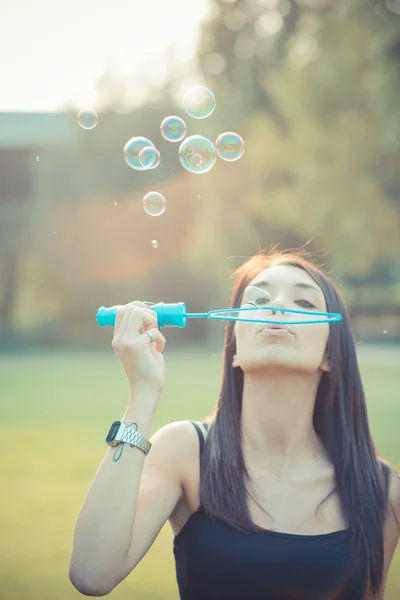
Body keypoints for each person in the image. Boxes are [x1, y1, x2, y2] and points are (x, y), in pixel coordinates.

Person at [69, 249, 400, 600]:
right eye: (258, 299)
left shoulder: (380, 490)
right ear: (236, 347)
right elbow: (91, 573)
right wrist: (143, 391)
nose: (276, 306)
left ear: (330, 354)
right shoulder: (186, 452)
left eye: (303, 301)